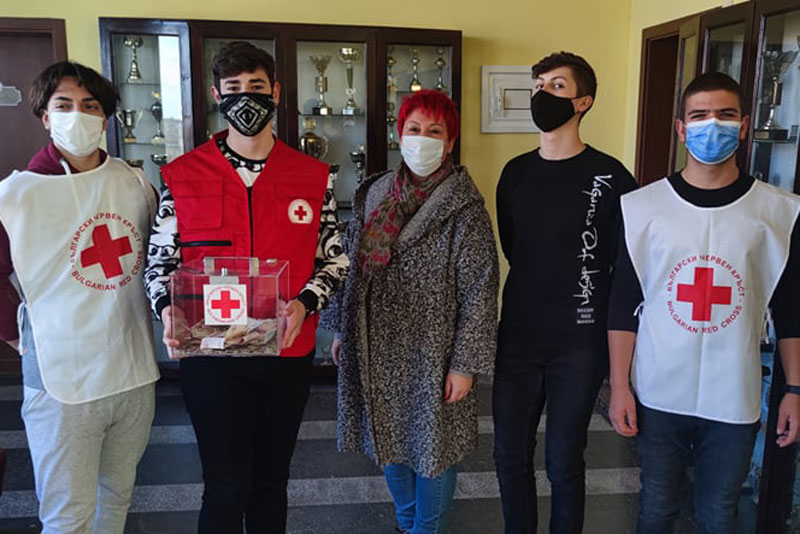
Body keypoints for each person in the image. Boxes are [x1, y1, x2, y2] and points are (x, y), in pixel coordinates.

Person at [144, 41, 348, 534]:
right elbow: (159, 262)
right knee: (224, 484)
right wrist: (168, 308)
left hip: (286, 353)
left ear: (275, 92)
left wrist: (305, 303)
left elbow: (335, 259)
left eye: (256, 86)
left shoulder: (312, 176)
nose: (245, 96)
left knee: (271, 482)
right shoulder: (183, 176)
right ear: (217, 96)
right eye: (233, 88)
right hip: (211, 355)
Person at [608, 72, 800, 533]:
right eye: (699, 115)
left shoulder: (778, 212)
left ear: (745, 124)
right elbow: (623, 307)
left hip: (733, 390)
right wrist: (618, 386)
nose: (712, 125)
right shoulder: (642, 207)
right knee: (656, 508)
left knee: (719, 513)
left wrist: (794, 390)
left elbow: (790, 310)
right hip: (659, 389)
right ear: (681, 128)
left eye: (725, 114)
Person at [322, 89, 498, 534]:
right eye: (414, 129)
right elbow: (350, 260)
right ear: (400, 135)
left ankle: (425, 529)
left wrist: (464, 365)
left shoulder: (465, 207)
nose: (422, 139)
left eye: (434, 131)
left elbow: (480, 289)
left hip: (434, 349)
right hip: (377, 341)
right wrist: (341, 329)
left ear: (450, 141)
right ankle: (406, 522)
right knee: (387, 439)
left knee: (433, 448)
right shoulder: (375, 191)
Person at [0, 61, 159, 533]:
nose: (78, 115)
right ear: (45, 116)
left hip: (132, 369)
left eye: (90, 106)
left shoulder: (133, 183)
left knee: (117, 496)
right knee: (68, 515)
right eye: (64, 104)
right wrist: (16, 337)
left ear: (105, 118)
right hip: (60, 377)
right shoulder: (16, 195)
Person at [493, 51, 637, 534]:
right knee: (509, 455)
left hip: (579, 339)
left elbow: (624, 263)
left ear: (583, 102)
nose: (542, 94)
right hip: (518, 334)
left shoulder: (612, 177)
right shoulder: (515, 173)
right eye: (538, 85)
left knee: (564, 460)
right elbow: (514, 246)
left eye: (556, 86)